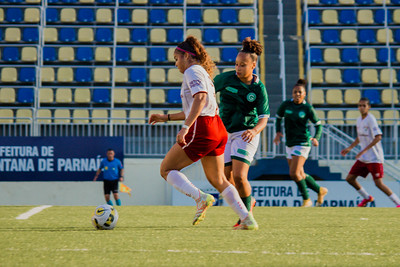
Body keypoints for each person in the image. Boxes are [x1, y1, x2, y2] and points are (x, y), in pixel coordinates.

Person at [149, 36, 258, 230]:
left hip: (204, 128)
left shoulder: (192, 71)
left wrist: (185, 127)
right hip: (217, 127)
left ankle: (201, 199)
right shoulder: (202, 73)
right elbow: (195, 106)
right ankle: (247, 218)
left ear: (188, 57)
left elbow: (200, 100)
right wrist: (164, 117)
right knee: (218, 179)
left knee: (166, 169)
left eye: (177, 58)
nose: (176, 64)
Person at [214, 37, 269, 227]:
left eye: (243, 65)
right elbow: (206, 92)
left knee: (239, 176)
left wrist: (254, 131)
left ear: (253, 65)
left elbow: (264, 118)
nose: (238, 68)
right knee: (225, 179)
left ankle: (246, 217)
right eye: (236, 64)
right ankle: (248, 203)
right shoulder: (225, 78)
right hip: (224, 133)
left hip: (246, 133)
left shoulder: (258, 88)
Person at [273, 79, 328, 207]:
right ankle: (320, 190)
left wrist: (316, 138)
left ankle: (306, 200)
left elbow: (318, 125)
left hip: (303, 142)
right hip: (290, 143)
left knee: (294, 173)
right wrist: (278, 132)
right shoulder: (286, 105)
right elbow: (278, 118)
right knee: (300, 173)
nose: (297, 94)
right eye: (295, 92)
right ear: (292, 93)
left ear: (304, 94)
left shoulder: (307, 108)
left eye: (300, 92)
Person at [341, 98, 400, 207]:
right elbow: (360, 137)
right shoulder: (359, 120)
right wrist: (350, 148)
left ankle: (398, 203)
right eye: (359, 105)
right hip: (364, 158)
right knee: (350, 179)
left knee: (379, 183)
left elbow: (378, 137)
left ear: (369, 107)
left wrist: (363, 151)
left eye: (364, 105)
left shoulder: (371, 119)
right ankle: (367, 198)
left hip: (374, 157)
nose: (361, 108)